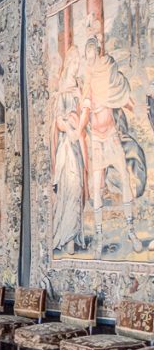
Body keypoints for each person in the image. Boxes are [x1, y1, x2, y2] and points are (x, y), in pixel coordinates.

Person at [78, 37, 146, 253]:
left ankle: (131, 229)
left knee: (125, 178)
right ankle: (99, 236)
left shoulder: (108, 73)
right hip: (97, 140)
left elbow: (121, 96)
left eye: (92, 56)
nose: (90, 61)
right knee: (97, 187)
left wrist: (136, 110)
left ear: (98, 53)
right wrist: (77, 132)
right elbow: (85, 113)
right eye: (87, 58)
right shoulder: (88, 82)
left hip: (112, 135)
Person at [51, 46, 87, 255]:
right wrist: (71, 128)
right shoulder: (63, 91)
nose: (76, 67)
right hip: (67, 145)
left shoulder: (78, 88)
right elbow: (57, 122)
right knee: (71, 188)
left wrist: (81, 96)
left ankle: (75, 233)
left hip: (77, 142)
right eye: (73, 63)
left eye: (77, 63)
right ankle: (68, 237)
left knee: (79, 188)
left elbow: (84, 113)